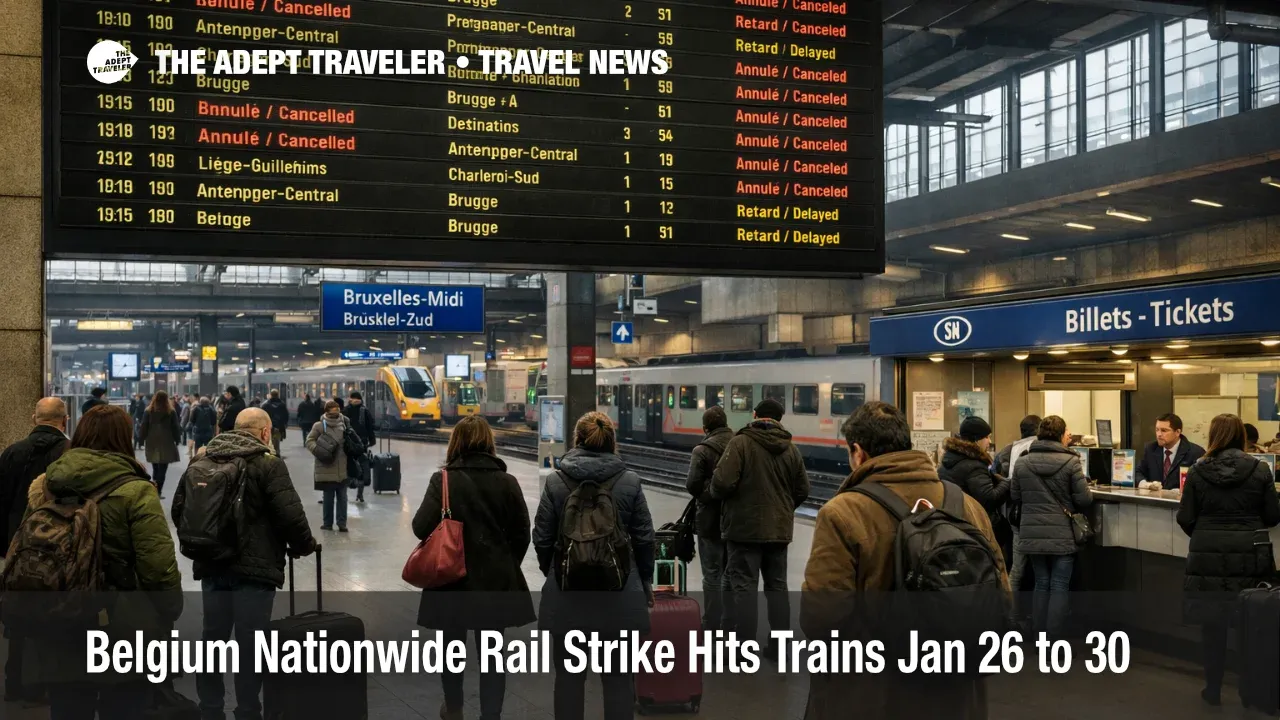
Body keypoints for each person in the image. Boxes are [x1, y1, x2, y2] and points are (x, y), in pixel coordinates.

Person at [800, 401, 1007, 720]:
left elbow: (821, 616)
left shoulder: (843, 513)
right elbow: (1002, 599)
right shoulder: (967, 506)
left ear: (858, 452)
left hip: (873, 697)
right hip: (957, 693)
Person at [22, 404, 182, 720]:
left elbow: (29, 545)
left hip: (61, 618)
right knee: (125, 707)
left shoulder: (47, 485)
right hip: (123, 623)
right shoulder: (136, 490)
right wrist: (169, 608)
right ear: (123, 438)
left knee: (68, 707)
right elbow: (157, 564)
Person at [174, 407, 318, 720]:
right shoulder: (268, 463)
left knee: (212, 639)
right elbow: (290, 515)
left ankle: (210, 709)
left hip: (213, 565)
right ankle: (248, 710)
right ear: (265, 432)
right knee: (250, 644)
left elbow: (179, 509)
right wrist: (305, 546)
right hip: (255, 570)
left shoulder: (204, 458)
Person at [532, 411, 654, 720]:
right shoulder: (629, 481)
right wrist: (645, 581)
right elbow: (644, 538)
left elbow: (542, 538)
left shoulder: (556, 482)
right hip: (619, 596)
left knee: (569, 679)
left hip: (568, 599)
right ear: (612, 442)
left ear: (577, 440)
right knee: (617, 680)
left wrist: (558, 571)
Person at [412, 416, 534, 720]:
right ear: (489, 443)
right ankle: (490, 715)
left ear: (456, 443)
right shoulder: (507, 482)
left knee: (451, 651)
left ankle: (454, 709)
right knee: (493, 657)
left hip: (450, 580)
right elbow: (522, 534)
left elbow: (420, 527)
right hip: (493, 584)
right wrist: (503, 564)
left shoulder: (443, 480)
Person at [1177, 413, 1280, 706]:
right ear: (1241, 436)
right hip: (1249, 555)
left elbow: (1185, 516)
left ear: (1213, 435)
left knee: (1213, 625)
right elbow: (1273, 515)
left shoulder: (1197, 470)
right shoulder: (1260, 469)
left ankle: (1212, 689)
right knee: (1251, 622)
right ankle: (1250, 692)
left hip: (1207, 555)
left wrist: (1205, 534)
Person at [710, 398, 809, 649]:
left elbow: (721, 483)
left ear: (755, 415)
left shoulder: (740, 443)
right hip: (778, 531)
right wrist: (783, 510)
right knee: (777, 588)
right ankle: (779, 647)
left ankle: (745, 649)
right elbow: (802, 490)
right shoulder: (791, 449)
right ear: (780, 419)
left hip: (743, 530)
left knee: (744, 589)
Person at [0, 398, 69, 703]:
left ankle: (15, 682)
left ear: (33, 418)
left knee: (18, 615)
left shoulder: (12, 453)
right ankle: (47, 683)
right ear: (64, 420)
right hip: (57, 548)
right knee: (54, 616)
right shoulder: (69, 453)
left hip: (17, 546)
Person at [1011, 415, 1092, 637]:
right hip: (1062, 533)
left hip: (1032, 533)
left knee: (1041, 582)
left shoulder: (1022, 462)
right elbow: (1084, 499)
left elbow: (1015, 496)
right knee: (1059, 584)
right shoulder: (1072, 462)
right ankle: (1054, 638)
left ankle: (1040, 636)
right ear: (1061, 435)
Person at [684, 405, 734, 631]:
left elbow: (692, 485)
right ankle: (729, 620)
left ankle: (712, 620)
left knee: (712, 573)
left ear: (706, 428)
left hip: (708, 521)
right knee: (730, 573)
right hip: (734, 519)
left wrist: (710, 494)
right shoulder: (739, 445)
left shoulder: (702, 451)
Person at [939, 416, 1012, 564]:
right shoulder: (974, 465)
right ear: (976, 439)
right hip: (977, 528)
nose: (989, 441)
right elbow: (990, 499)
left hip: (956, 525)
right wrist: (1007, 483)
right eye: (987, 437)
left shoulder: (949, 460)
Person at [306, 400, 350, 532]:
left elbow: (351, 439)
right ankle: (328, 523)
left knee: (342, 498)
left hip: (342, 466)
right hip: (326, 465)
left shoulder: (345, 423)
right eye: (332, 411)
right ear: (326, 412)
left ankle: (341, 523)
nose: (335, 413)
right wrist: (318, 451)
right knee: (329, 498)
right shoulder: (319, 426)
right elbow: (309, 441)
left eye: (337, 410)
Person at [1135, 413, 1205, 490]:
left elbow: (1201, 483)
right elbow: (1138, 472)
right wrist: (1145, 484)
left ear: (1177, 432)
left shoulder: (1196, 453)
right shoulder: (1150, 449)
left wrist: (1183, 491)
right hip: (1155, 496)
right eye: (1157, 430)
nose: (1159, 434)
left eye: (1164, 430)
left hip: (1182, 497)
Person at [140, 390, 182, 498]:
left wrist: (141, 439)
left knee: (155, 467)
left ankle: (155, 489)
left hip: (152, 440)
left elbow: (144, 426)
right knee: (163, 468)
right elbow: (175, 427)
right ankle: (159, 491)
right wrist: (177, 439)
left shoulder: (148, 411)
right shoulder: (170, 411)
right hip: (166, 441)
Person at [342, 391, 376, 503]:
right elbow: (370, 427)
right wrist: (372, 440)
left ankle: (346, 490)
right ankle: (360, 494)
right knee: (361, 467)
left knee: (347, 466)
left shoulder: (345, 410)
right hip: (362, 443)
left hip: (349, 443)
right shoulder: (365, 410)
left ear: (351, 398)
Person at [262, 389, 289, 457]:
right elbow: (286, 415)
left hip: (269, 427)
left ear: (271, 395)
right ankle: (277, 455)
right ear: (278, 395)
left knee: (269, 442)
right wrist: (284, 424)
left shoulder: (266, 405)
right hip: (278, 427)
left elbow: (263, 415)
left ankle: (270, 454)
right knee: (277, 442)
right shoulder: (282, 405)